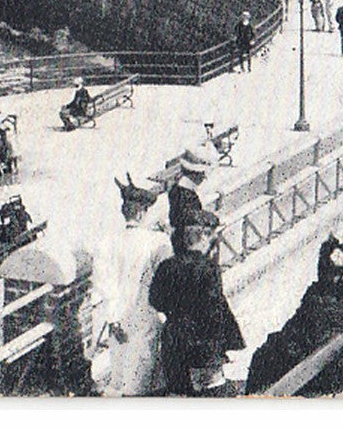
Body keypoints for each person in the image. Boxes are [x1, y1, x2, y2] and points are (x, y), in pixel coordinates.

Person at [245, 237, 343, 396]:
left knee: (262, 356)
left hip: (313, 361)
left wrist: (281, 339)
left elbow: (304, 330)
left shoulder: (319, 297)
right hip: (324, 350)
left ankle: (253, 396)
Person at [148, 210, 244, 397]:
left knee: (179, 391)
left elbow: (155, 301)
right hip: (202, 342)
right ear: (203, 238)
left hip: (174, 339)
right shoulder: (208, 268)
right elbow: (215, 309)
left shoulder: (166, 266)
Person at [96, 175, 172, 396]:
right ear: (141, 212)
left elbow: (103, 284)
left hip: (117, 318)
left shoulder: (107, 242)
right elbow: (167, 278)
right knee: (141, 378)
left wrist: (113, 317)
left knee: (118, 374)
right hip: (145, 316)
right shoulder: (157, 242)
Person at [167, 148, 212, 251]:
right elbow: (191, 217)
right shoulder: (186, 195)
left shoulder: (176, 189)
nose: (203, 178)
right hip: (188, 243)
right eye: (202, 174)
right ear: (195, 175)